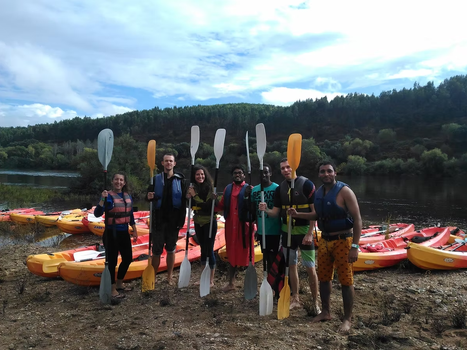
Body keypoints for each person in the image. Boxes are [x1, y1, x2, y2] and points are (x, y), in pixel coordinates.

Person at [289, 161, 362, 333]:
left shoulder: (345, 191)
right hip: (324, 240)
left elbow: (357, 219)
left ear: (335, 173)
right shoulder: (319, 192)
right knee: (324, 278)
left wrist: (355, 246)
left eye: (329, 171)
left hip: (343, 240)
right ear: (319, 174)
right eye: (322, 171)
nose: (326, 174)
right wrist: (298, 214)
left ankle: (347, 319)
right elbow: (317, 214)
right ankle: (326, 312)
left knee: (346, 280)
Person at [259, 158, 319, 311]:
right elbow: (275, 213)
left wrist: (310, 233)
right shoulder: (281, 188)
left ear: (294, 167)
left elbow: (315, 212)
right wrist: (265, 209)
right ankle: (295, 297)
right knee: (291, 266)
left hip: (304, 232)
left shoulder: (306, 184)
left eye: (288, 167)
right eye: (282, 168)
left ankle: (315, 301)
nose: (285, 170)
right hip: (287, 233)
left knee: (310, 268)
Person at [94, 172, 138, 298]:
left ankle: (119, 283)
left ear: (124, 183)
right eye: (116, 180)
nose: (118, 182)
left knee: (128, 258)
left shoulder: (127, 196)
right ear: (113, 181)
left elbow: (130, 215)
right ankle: (112, 288)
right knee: (112, 261)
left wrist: (134, 229)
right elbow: (97, 213)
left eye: (121, 180)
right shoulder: (107, 196)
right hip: (111, 233)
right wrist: (102, 199)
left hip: (124, 232)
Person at [147, 153, 187, 286]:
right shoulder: (155, 179)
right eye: (166, 161)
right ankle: (153, 276)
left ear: (174, 164)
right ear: (162, 163)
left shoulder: (180, 181)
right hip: (158, 221)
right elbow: (147, 197)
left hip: (173, 222)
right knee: (156, 251)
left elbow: (183, 202)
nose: (168, 163)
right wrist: (149, 196)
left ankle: (169, 276)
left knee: (171, 249)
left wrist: (181, 221)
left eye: (171, 161)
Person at [216, 165, 255, 292]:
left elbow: (255, 207)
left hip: (245, 226)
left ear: (244, 175)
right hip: (230, 226)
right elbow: (221, 205)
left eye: (240, 173)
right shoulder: (228, 189)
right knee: (231, 252)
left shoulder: (250, 189)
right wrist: (212, 202)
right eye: (235, 173)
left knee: (248, 253)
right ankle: (231, 283)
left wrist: (251, 196)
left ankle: (250, 283)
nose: (237, 175)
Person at [244, 163, 281, 275]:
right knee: (267, 258)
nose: (264, 175)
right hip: (262, 231)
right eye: (261, 173)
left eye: (266, 172)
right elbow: (252, 211)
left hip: (275, 231)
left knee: (275, 258)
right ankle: (270, 282)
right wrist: (246, 196)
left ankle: (277, 283)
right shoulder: (254, 190)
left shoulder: (277, 188)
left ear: (270, 173)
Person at [186, 165, 217, 287]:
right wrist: (187, 197)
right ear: (194, 176)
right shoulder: (192, 188)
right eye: (198, 174)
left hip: (209, 221)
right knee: (203, 249)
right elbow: (189, 204)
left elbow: (207, 206)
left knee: (209, 249)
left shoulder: (210, 188)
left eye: (202, 174)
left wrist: (194, 196)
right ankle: (203, 277)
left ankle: (211, 280)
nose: (200, 176)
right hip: (198, 221)